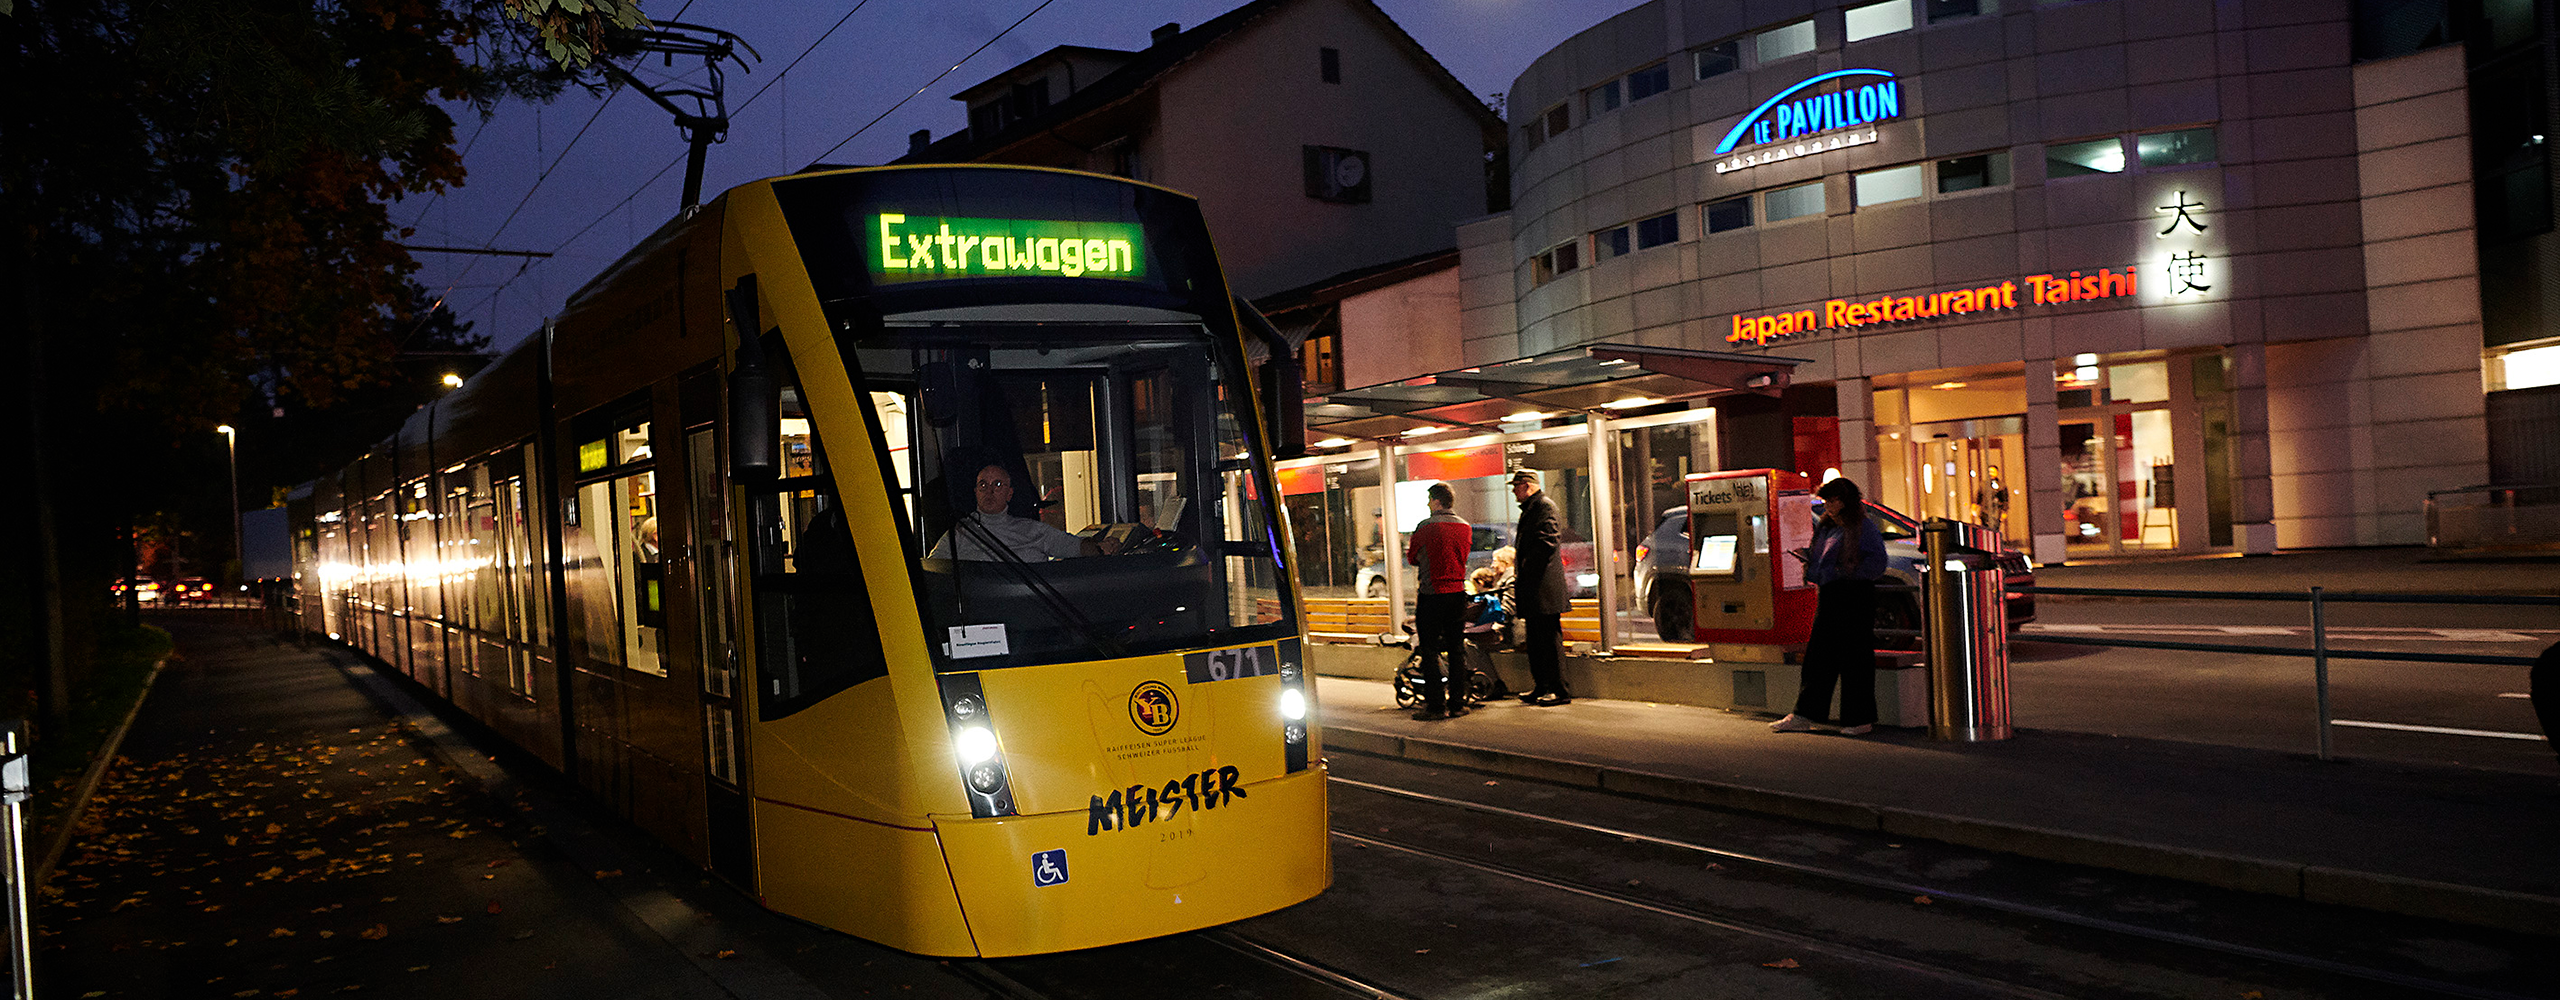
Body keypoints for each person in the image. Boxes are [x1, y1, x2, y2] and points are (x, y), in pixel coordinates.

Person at [1772, 477, 1889, 736]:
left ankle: (1857, 718)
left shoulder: (1862, 527)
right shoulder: (1828, 526)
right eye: (1826, 500)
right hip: (1832, 592)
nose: (1828, 506)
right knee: (1819, 655)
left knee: (1854, 657)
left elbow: (1877, 562)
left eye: (1832, 500)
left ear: (1844, 501)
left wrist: (1845, 571)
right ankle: (1807, 713)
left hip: (1853, 594)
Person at [928, 463, 1120, 561]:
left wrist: (1101, 548)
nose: (990, 491)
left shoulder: (1032, 530)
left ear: (1009, 493)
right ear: (975, 492)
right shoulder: (959, 534)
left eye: (998, 484)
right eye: (983, 485)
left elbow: (1073, 546)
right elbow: (934, 569)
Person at [1404, 482, 1472, 720]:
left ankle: (1435, 706)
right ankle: (1457, 703)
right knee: (1456, 649)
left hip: (1432, 594)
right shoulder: (1465, 526)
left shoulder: (1425, 526)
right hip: (1458, 594)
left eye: (1428, 500)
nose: (1427, 504)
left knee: (1430, 649)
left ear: (1435, 501)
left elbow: (1412, 557)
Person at [1509, 469, 1571, 706]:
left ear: (1528, 485)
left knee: (1548, 640)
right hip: (1535, 588)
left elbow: (1548, 541)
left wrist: (1526, 566)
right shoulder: (1533, 508)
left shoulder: (1544, 506)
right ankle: (1541, 686)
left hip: (1543, 588)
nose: (1514, 491)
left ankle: (1558, 689)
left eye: (1516, 486)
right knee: (1536, 640)